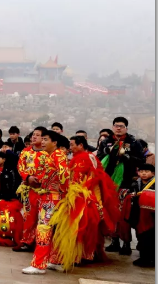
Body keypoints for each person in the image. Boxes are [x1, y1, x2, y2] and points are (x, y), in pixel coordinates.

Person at [49, 135, 120, 271]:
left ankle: (77, 256)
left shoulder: (86, 158)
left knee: (79, 227)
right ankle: (76, 255)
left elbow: (93, 178)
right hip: (78, 196)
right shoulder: (79, 158)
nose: (70, 147)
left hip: (83, 197)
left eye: (72, 144)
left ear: (81, 145)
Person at [22, 130, 69, 275]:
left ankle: (38, 264)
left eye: (45, 139)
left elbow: (65, 175)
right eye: (41, 139)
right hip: (48, 196)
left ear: (54, 143)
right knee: (55, 230)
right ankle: (56, 260)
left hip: (52, 198)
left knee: (43, 229)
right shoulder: (51, 155)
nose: (42, 142)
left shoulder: (58, 155)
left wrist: (61, 189)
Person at [97, 116, 144, 256]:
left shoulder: (133, 143)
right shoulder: (106, 142)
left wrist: (127, 158)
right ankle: (114, 241)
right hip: (108, 183)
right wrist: (107, 152)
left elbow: (141, 161)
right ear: (112, 127)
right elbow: (98, 158)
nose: (118, 128)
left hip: (126, 183)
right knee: (110, 213)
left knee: (124, 214)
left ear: (126, 128)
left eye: (121, 126)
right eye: (116, 125)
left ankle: (126, 243)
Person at [14, 126, 47, 253]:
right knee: (28, 217)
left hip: (44, 190)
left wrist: (38, 179)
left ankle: (42, 243)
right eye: (33, 134)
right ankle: (26, 241)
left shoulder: (47, 153)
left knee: (43, 218)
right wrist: (28, 178)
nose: (34, 137)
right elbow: (20, 167)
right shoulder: (26, 152)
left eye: (37, 135)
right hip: (29, 189)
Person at [128, 164, 155, 267]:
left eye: (147, 171)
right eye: (141, 171)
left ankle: (150, 259)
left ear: (153, 173)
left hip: (151, 215)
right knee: (140, 235)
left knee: (150, 236)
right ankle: (143, 257)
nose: (144, 173)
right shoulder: (135, 184)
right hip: (138, 213)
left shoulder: (154, 183)